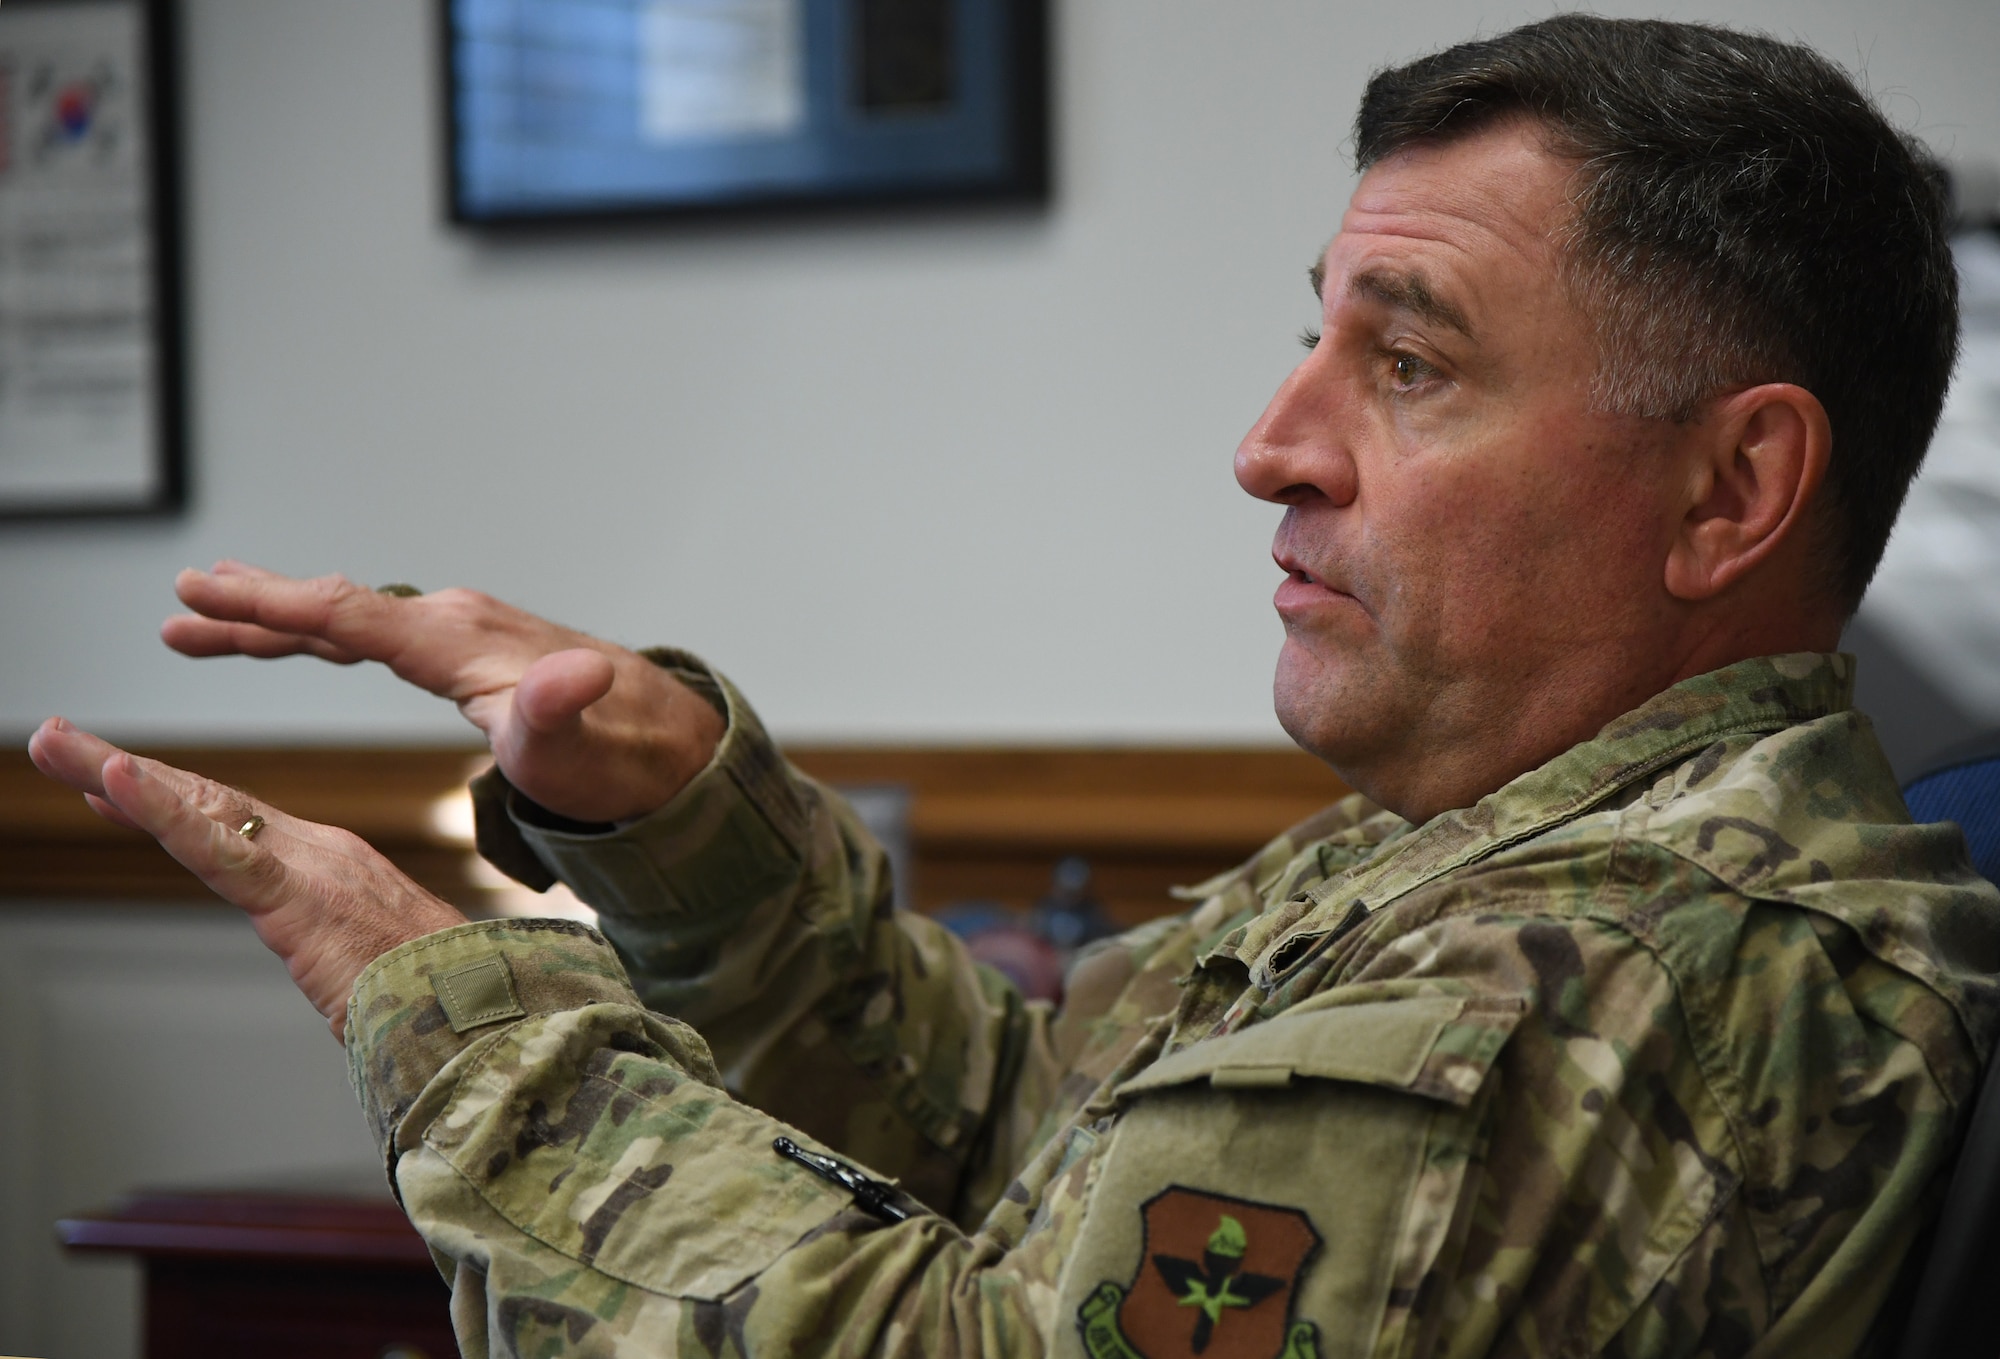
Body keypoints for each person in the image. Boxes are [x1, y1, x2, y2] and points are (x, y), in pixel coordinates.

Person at [29, 15, 2000, 1358]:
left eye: (1407, 365)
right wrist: (685, 817)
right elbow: (1022, 1136)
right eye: (1310, 339)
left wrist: (425, 984)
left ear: (1729, 488)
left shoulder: (1580, 988)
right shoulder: (1499, 852)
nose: (1270, 441)